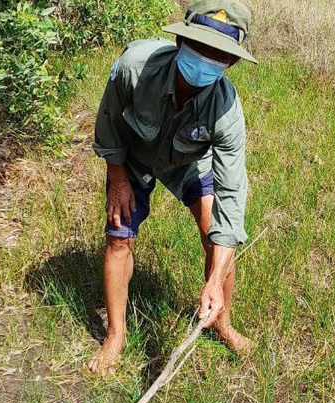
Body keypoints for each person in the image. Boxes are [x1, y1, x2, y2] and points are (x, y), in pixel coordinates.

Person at [88, 0, 257, 374]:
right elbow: (109, 123)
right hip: (132, 157)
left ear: (232, 62)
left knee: (215, 236)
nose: (205, 59)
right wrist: (118, 179)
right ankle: (116, 335)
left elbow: (231, 195)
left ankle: (223, 323)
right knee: (118, 236)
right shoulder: (135, 66)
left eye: (218, 54)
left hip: (188, 162)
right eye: (199, 47)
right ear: (180, 41)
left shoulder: (227, 111)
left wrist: (214, 280)